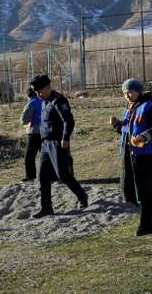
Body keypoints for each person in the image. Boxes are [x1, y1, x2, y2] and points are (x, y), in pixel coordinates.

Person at [30, 74, 88, 218]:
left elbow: (68, 120)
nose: (37, 94)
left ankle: (82, 196)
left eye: (39, 91)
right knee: (42, 176)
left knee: (63, 174)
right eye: (36, 92)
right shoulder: (44, 102)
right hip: (45, 144)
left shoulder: (58, 100)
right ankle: (46, 208)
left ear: (47, 87)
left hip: (57, 143)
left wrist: (65, 138)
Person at [110, 78, 152, 236]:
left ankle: (146, 225)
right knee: (139, 188)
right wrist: (116, 125)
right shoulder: (129, 108)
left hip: (147, 155)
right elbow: (126, 130)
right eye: (124, 93)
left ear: (138, 91)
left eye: (130, 92)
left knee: (145, 189)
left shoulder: (149, 106)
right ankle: (150, 210)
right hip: (132, 155)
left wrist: (143, 137)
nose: (127, 95)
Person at [19, 88, 43, 182]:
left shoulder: (31, 103)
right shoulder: (42, 101)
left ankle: (30, 176)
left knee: (29, 156)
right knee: (44, 155)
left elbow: (24, 120)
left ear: (28, 95)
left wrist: (22, 120)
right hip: (45, 131)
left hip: (33, 132)